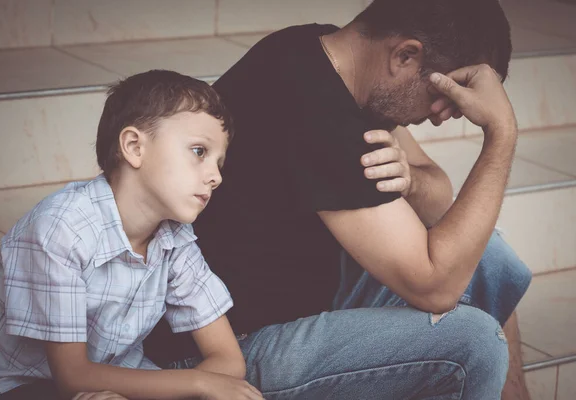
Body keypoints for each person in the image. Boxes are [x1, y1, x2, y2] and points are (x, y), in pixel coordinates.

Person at [144, 1, 533, 399]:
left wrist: (412, 180)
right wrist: (501, 135)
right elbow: (436, 286)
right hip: (226, 352)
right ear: (405, 55)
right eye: (442, 96)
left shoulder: (331, 54)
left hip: (304, 296)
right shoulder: (314, 111)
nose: (440, 116)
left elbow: (438, 196)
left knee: (488, 256)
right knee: (472, 344)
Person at [0, 70, 264, 400]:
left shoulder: (175, 239)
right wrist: (200, 383)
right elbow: (73, 376)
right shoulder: (62, 228)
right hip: (19, 387)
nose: (215, 177)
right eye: (199, 151)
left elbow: (228, 359)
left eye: (219, 163)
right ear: (133, 146)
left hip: (120, 384)